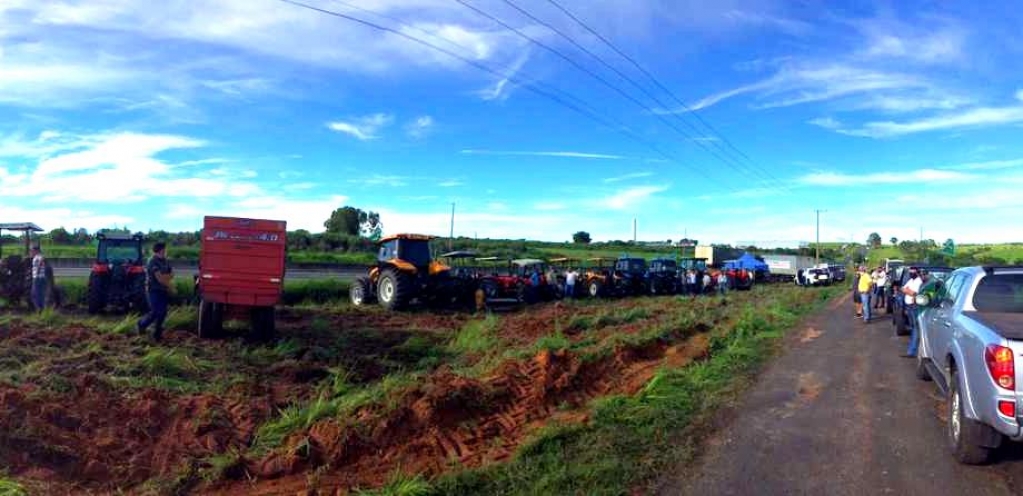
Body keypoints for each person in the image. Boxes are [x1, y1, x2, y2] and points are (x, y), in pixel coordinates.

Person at [137, 242, 173, 342]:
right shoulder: (152, 261)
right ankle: (141, 324)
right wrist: (169, 284)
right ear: (160, 250)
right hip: (153, 290)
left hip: (163, 290)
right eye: (164, 249)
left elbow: (172, 274)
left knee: (163, 313)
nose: (166, 251)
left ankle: (157, 333)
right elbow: (159, 278)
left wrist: (165, 277)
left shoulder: (165, 261)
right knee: (156, 312)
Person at [900, 269, 924, 358]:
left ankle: (912, 351)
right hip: (909, 306)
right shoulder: (911, 280)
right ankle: (912, 350)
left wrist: (908, 291)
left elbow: (915, 294)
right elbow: (903, 288)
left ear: (917, 272)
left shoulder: (919, 281)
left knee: (915, 329)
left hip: (914, 307)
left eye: (913, 272)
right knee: (913, 328)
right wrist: (908, 291)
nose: (911, 273)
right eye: (910, 272)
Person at [30, 246, 47, 311]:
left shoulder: (38, 256)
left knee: (34, 294)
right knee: (40, 294)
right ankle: (41, 308)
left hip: (38, 278)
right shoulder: (36, 257)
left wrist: (37, 271)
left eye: (32, 250)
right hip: (41, 277)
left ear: (36, 250)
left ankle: (39, 309)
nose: (31, 252)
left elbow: (42, 259)